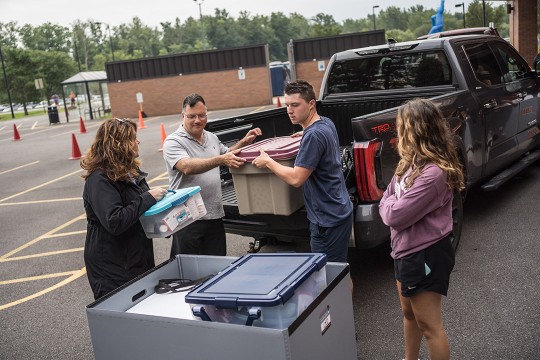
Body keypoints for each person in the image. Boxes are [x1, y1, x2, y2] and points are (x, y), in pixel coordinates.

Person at [378, 98, 465, 360]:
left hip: (425, 254)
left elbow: (393, 214)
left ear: (418, 129)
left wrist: (391, 204)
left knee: (430, 326)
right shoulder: (409, 163)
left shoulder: (433, 174)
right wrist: (391, 204)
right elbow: (387, 199)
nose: (398, 131)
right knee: (409, 315)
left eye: (401, 126)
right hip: (403, 251)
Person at [252, 80, 353, 263]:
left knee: (328, 275)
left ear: (311, 104)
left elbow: (297, 178)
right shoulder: (325, 123)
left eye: (295, 105)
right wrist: (305, 132)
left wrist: (268, 161)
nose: (289, 110)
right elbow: (317, 135)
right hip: (337, 210)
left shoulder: (313, 135)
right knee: (339, 270)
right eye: (287, 105)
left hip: (327, 219)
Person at [163, 93, 262, 257]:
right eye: (191, 116)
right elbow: (186, 166)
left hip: (214, 214)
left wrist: (244, 141)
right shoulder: (174, 141)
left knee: (215, 267)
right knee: (188, 271)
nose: (197, 120)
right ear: (182, 116)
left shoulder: (211, 137)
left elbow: (227, 153)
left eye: (201, 115)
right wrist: (222, 159)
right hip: (187, 218)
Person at [81, 117, 168, 300]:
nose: (137, 142)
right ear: (118, 144)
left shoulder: (129, 172)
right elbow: (115, 221)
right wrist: (147, 197)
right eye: (132, 138)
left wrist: (166, 220)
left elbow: (139, 211)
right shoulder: (99, 179)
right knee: (121, 318)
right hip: (113, 267)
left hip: (135, 259)